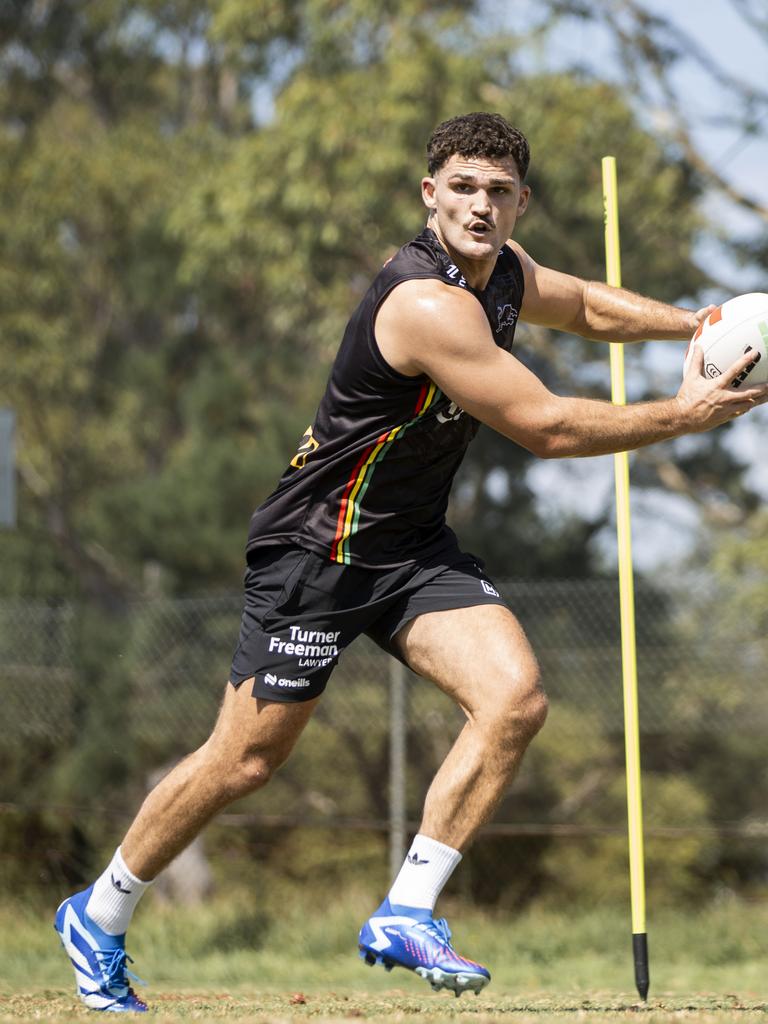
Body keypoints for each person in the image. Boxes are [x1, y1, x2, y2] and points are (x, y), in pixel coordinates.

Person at [54, 112, 767, 1012]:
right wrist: (683, 415)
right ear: (430, 193)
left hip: (409, 548)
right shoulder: (424, 301)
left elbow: (583, 304)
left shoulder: (504, 272)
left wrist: (694, 325)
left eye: (499, 192)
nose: (481, 205)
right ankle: (101, 910)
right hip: (317, 548)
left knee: (515, 700)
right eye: (463, 187)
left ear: (519, 204)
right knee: (244, 762)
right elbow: (544, 427)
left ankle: (408, 908)